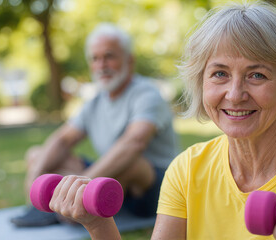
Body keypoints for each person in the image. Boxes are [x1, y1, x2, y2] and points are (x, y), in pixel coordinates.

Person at [42, 2, 276, 239]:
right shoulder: (186, 170)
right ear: (202, 83)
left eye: (257, 75)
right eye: (220, 74)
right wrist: (98, 224)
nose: (235, 94)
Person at [10, 23, 179, 227]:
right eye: (95, 58)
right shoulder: (95, 101)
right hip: (113, 180)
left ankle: (76, 206)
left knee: (133, 162)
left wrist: (81, 185)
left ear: (129, 60)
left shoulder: (147, 94)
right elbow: (63, 140)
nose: (101, 65)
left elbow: (134, 143)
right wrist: (34, 178)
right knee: (37, 155)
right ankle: (57, 208)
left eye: (109, 56)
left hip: (155, 190)